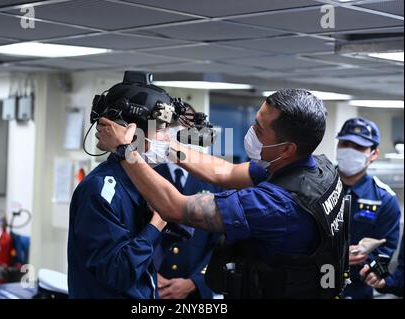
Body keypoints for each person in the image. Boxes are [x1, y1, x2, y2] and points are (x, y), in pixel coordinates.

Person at [96, 89, 349, 299]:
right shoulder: (316, 168)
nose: (251, 132)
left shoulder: (275, 205)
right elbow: (225, 173)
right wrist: (164, 144)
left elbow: (174, 207)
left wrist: (125, 150)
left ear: (286, 148)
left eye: (259, 129)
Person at [67, 75, 193, 298]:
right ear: (132, 134)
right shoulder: (99, 190)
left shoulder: (143, 183)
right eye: (161, 130)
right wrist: (156, 223)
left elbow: (182, 233)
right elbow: (117, 272)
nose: (167, 139)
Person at [335, 118, 401, 299]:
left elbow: (385, 250)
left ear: (373, 154)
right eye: (345, 143)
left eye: (358, 147)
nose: (349, 150)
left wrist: (370, 268)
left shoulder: (385, 199)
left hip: (356, 289)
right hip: (309, 283)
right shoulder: (316, 187)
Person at [154, 162, 222, 299]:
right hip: (154, 289)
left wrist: (195, 282)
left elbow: (220, 242)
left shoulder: (213, 179)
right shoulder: (150, 174)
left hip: (196, 293)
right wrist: (147, 271)